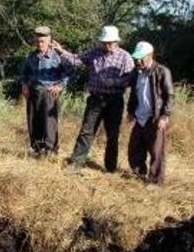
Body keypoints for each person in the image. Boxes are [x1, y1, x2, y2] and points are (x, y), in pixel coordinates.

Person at [55, 25, 135, 172]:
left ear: (117, 41)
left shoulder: (126, 57)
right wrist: (62, 52)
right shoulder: (94, 53)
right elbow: (76, 60)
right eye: (105, 42)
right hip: (95, 99)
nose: (107, 45)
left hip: (115, 100)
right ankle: (76, 163)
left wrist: (114, 82)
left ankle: (110, 168)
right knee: (87, 131)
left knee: (112, 134)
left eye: (110, 42)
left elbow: (130, 79)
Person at [19, 26, 75, 155]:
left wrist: (60, 86)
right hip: (33, 92)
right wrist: (24, 85)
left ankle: (51, 150)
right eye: (37, 41)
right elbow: (23, 73)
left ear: (49, 40)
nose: (40, 44)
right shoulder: (31, 56)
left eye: (42, 41)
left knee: (49, 123)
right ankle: (37, 149)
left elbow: (70, 73)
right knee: (33, 121)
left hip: (50, 93)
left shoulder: (57, 56)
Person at [126, 41, 174, 185]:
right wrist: (130, 111)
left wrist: (165, 116)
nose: (138, 61)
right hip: (140, 117)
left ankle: (155, 182)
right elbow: (133, 94)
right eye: (136, 58)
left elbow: (169, 96)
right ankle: (139, 175)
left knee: (157, 152)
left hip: (155, 118)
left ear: (150, 56)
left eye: (141, 57)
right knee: (134, 149)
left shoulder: (162, 71)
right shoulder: (136, 72)